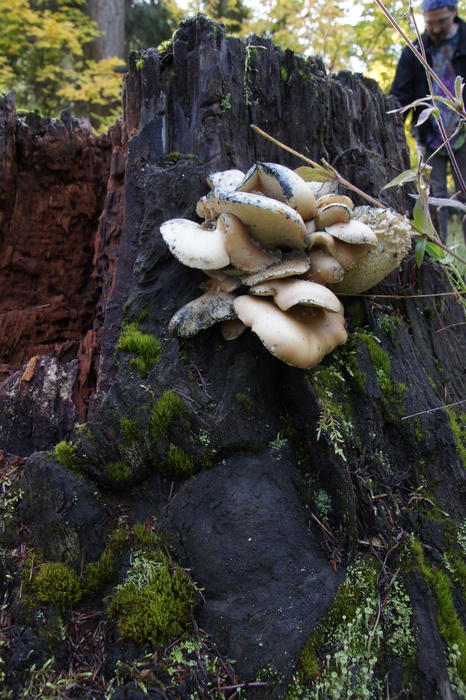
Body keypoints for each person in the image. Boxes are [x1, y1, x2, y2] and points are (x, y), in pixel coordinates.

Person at [390, 0, 466, 242]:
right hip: (428, 137)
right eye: (429, 23)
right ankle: (440, 264)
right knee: (433, 199)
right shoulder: (413, 52)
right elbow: (399, 97)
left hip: (463, 134)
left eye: (441, 22)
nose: (434, 29)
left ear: (454, 12)